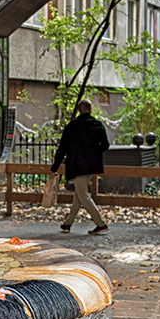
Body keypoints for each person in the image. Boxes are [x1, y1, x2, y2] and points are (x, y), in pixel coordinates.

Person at [51, 99, 110, 234]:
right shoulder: (98, 125)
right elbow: (105, 145)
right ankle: (68, 224)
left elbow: (62, 148)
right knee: (79, 195)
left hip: (76, 165)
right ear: (90, 110)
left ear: (78, 110)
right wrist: (94, 153)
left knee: (83, 194)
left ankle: (100, 224)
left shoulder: (72, 127)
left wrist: (55, 166)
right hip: (92, 165)